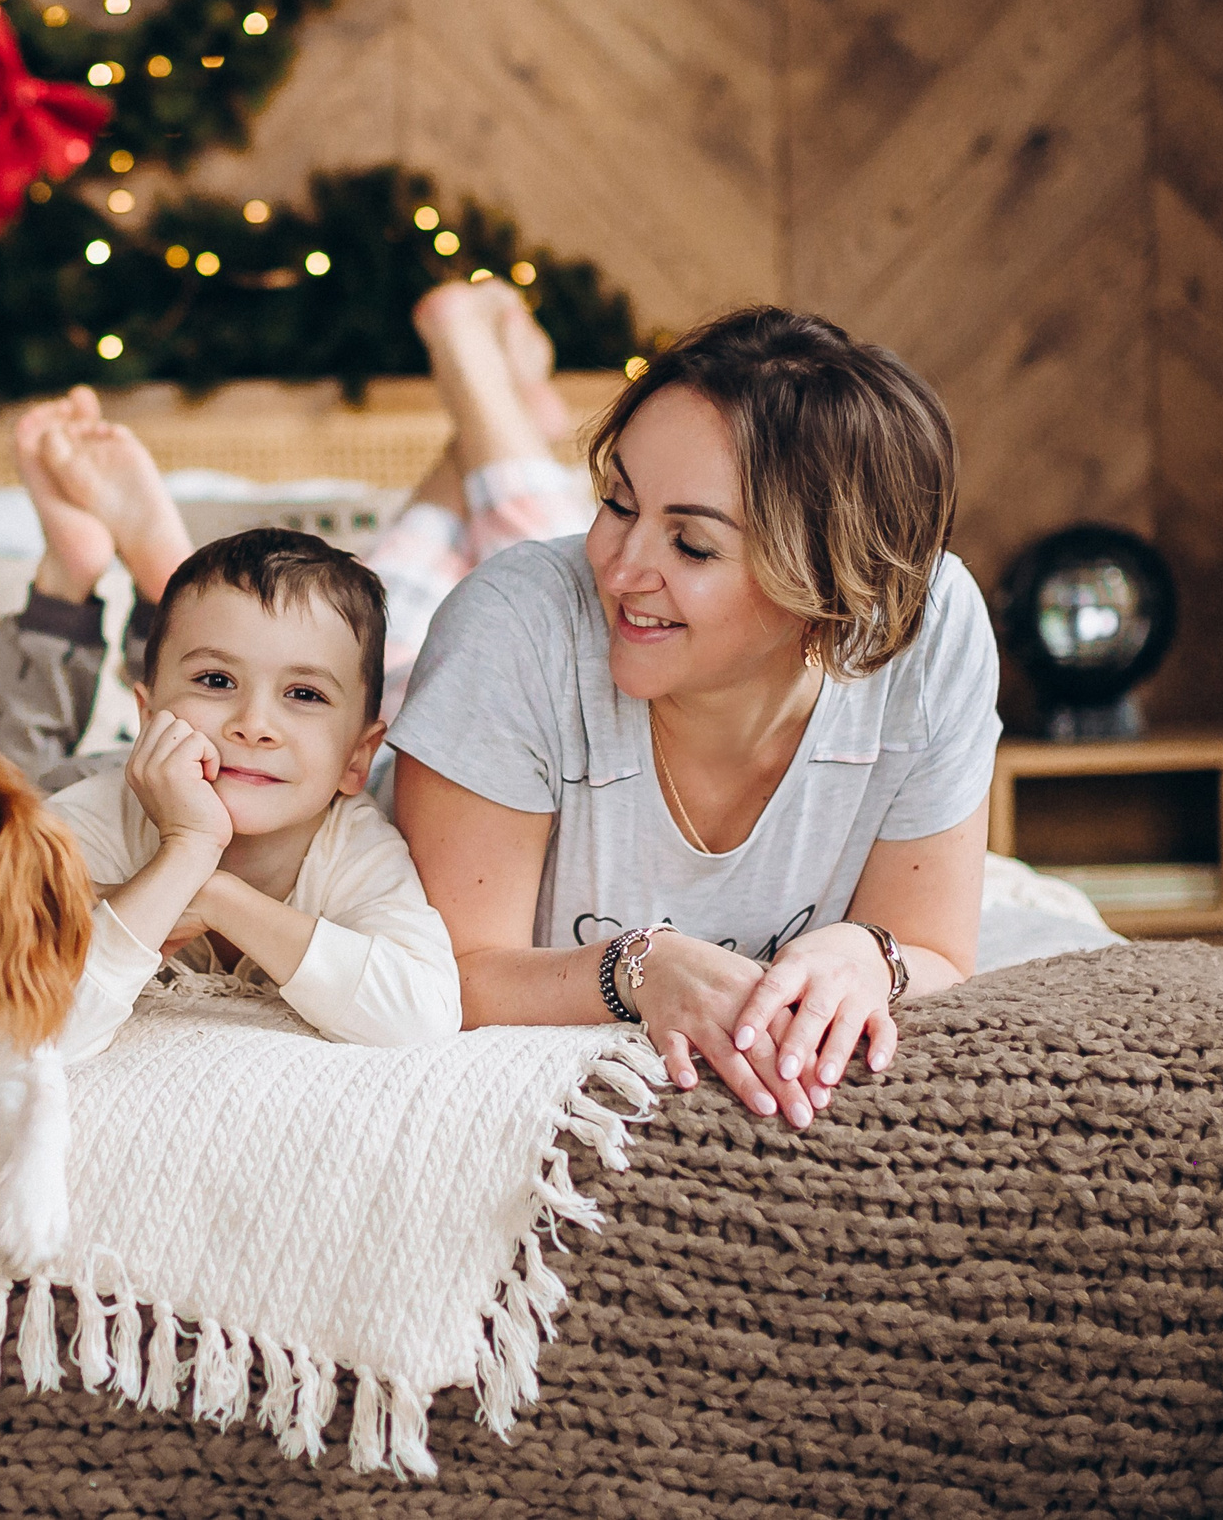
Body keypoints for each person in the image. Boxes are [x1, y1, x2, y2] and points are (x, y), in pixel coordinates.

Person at [390, 307, 1001, 1131]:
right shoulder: (511, 626)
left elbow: (934, 952)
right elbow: (446, 975)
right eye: (615, 499)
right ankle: (473, 369)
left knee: (524, 528)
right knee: (353, 610)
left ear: (829, 584)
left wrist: (869, 955)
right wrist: (634, 969)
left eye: (693, 544)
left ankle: (484, 422)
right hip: (405, 685)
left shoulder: (930, 626)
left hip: (569, 639)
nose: (619, 563)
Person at [0, 278, 592, 782]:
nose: (253, 726)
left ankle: (498, 402)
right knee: (572, 621)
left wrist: (60, 599)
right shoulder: (373, 807)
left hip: (369, 711)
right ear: (145, 705)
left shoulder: (343, 758)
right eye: (215, 680)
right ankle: (488, 383)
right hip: (397, 739)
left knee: (363, 642)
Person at [42, 530, 462, 1047]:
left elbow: (424, 1017)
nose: (254, 724)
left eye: (304, 694)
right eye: (216, 680)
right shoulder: (87, 822)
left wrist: (218, 898)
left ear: (357, 757)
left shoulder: (355, 848)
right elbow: (48, 1028)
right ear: (149, 717)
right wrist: (187, 849)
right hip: (70, 776)